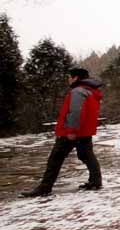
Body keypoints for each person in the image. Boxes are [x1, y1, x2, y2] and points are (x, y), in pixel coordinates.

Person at [19, 68, 104, 198]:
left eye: (69, 77)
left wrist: (71, 130)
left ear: (76, 78)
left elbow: (76, 112)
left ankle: (44, 188)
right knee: (87, 156)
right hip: (85, 131)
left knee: (55, 159)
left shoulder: (78, 91)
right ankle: (95, 181)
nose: (68, 79)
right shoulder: (91, 91)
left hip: (71, 132)